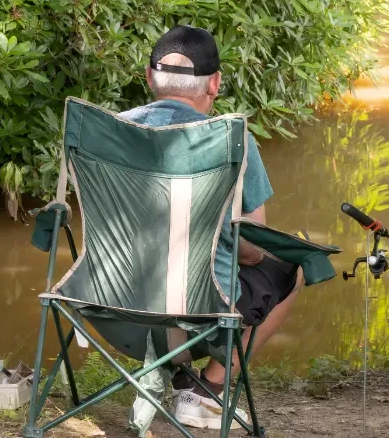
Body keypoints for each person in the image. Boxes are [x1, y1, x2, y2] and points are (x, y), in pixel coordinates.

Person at [120, 24, 300, 430]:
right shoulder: (232, 140)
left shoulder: (109, 133)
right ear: (214, 84)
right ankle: (210, 390)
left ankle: (185, 380)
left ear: (148, 76)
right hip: (201, 317)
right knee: (290, 269)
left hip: (113, 312)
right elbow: (250, 249)